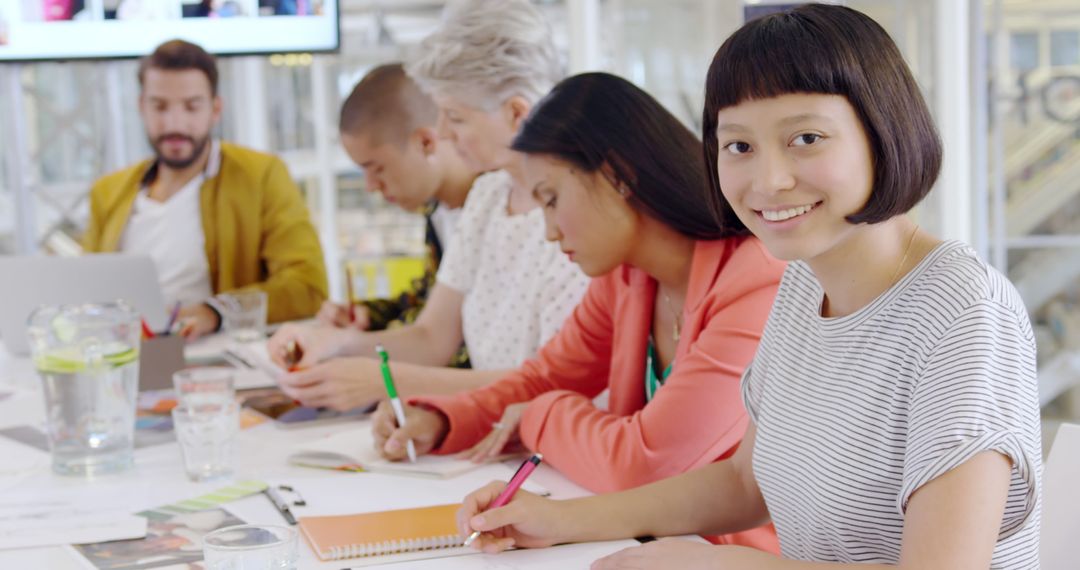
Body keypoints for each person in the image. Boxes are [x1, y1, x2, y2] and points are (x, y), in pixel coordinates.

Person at [451, 5, 1042, 569]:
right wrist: (561, 521)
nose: (768, 180)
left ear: (882, 131)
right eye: (738, 146)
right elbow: (744, 481)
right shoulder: (801, 288)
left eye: (806, 138)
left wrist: (730, 564)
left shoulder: (964, 312)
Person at [371, 72, 784, 552]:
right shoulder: (627, 277)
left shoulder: (757, 280)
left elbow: (643, 461)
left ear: (617, 175)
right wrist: (442, 420)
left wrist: (540, 416)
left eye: (551, 199)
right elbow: (544, 377)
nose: (548, 230)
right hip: (645, 545)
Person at [266, 0, 589, 407]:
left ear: (516, 114)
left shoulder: (577, 220)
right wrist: (333, 345)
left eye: (454, 117)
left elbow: (553, 384)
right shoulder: (489, 197)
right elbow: (431, 337)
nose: (442, 134)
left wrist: (386, 381)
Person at [83, 40, 328, 340]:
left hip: (217, 358)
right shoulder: (109, 192)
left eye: (191, 106)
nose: (174, 123)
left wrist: (217, 311)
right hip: (127, 358)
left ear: (215, 109)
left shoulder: (261, 177)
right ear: (141, 107)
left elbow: (307, 286)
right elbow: (88, 292)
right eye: (159, 106)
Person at [315, 63, 477, 369]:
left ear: (426, 142)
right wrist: (368, 317)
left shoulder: (495, 211)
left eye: (377, 168)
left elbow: (450, 341)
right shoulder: (437, 209)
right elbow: (426, 302)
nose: (370, 186)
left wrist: (348, 348)